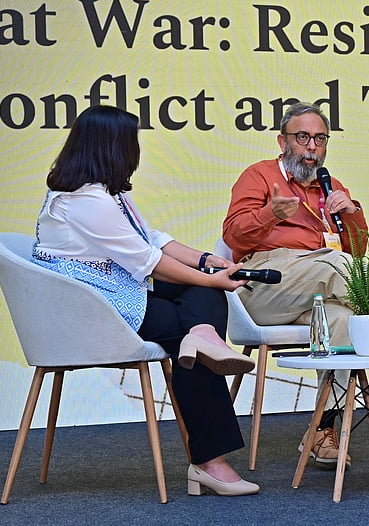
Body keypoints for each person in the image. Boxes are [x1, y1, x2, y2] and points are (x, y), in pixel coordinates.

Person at [32, 105, 259, 496]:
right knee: (201, 308)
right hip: (97, 310)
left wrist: (209, 263)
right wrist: (217, 280)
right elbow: (150, 263)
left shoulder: (102, 193)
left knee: (200, 303)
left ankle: (201, 337)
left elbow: (152, 239)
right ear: (114, 147)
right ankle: (209, 460)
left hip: (116, 292)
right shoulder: (88, 203)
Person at [223, 102, 369, 467]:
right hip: (264, 286)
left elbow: (359, 252)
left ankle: (321, 430)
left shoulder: (330, 187)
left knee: (347, 324)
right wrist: (271, 214)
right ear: (283, 141)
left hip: (315, 291)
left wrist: (351, 213)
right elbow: (233, 236)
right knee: (337, 264)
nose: (311, 147)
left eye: (319, 138)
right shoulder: (259, 175)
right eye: (302, 138)